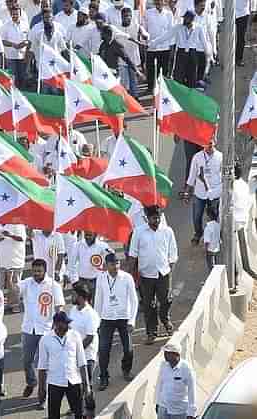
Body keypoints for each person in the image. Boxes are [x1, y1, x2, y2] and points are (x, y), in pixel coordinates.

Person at [17, 259, 65, 404]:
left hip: (46, 330)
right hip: (28, 329)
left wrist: (58, 326)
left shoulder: (53, 286)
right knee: (27, 361)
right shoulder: (26, 283)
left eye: (39, 271)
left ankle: (43, 396)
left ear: (45, 271)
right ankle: (31, 382)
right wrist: (12, 285)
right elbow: (15, 291)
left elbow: (59, 307)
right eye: (34, 271)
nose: (36, 274)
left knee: (44, 366)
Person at [129, 205, 178, 344]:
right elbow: (133, 255)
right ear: (147, 218)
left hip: (163, 273)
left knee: (166, 300)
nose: (156, 220)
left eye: (158, 217)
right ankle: (152, 332)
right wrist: (132, 276)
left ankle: (165, 318)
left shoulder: (167, 231)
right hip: (145, 275)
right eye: (153, 218)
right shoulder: (138, 232)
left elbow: (173, 255)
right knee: (148, 305)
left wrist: (170, 274)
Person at [94, 253, 138, 390]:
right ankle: (104, 376)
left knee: (128, 349)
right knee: (103, 349)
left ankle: (126, 369)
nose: (116, 266)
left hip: (123, 318)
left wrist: (132, 321)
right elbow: (98, 300)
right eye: (112, 264)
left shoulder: (127, 278)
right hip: (107, 318)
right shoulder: (101, 278)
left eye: (117, 263)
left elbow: (134, 300)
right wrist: (97, 321)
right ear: (106, 265)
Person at [37, 311, 90, 419]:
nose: (67, 326)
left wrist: (87, 385)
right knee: (53, 414)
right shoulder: (45, 339)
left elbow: (82, 362)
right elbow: (42, 366)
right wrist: (41, 389)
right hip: (54, 382)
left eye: (67, 323)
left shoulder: (75, 335)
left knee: (79, 414)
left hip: (74, 380)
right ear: (56, 324)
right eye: (64, 323)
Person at [148, 10, 211, 88]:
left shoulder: (198, 28)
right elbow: (166, 36)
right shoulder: (178, 27)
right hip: (181, 54)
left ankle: (190, 96)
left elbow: (204, 42)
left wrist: (208, 55)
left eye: (187, 18)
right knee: (178, 77)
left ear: (192, 19)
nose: (184, 20)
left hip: (192, 54)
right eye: (184, 18)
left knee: (192, 78)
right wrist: (153, 43)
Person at [183, 140, 222, 244]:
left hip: (214, 194)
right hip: (200, 193)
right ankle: (198, 233)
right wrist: (187, 192)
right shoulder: (197, 157)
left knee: (214, 217)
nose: (208, 146)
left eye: (210, 143)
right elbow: (191, 176)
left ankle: (214, 236)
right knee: (196, 216)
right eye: (206, 144)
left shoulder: (220, 157)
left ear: (215, 143)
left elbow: (223, 177)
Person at [68, 283, 100, 386]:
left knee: (86, 386)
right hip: (75, 355)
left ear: (81, 297)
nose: (71, 297)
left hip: (87, 358)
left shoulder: (91, 315)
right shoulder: (73, 310)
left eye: (74, 295)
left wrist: (77, 351)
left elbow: (89, 338)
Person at [0, 223, 25, 313]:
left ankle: (14, 304)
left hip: (14, 260)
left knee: (14, 284)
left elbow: (22, 238)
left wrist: (9, 235)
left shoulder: (18, 224)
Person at [155, 342, 197, 419]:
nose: (165, 355)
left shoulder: (186, 369)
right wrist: (157, 402)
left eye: (168, 353)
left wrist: (191, 412)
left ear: (176, 354)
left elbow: (192, 390)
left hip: (179, 411)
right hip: (163, 408)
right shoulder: (163, 365)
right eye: (165, 352)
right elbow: (159, 384)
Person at [67, 231, 112, 296]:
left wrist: (106, 266)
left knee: (96, 304)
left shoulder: (103, 246)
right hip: (81, 281)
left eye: (90, 235)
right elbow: (71, 263)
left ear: (95, 235)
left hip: (97, 281)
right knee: (82, 305)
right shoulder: (77, 245)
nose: (87, 237)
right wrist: (74, 281)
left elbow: (112, 258)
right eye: (86, 235)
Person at [144, 0, 174, 95]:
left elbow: (171, 30)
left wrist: (171, 46)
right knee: (151, 69)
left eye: (160, 1)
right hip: (151, 46)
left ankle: (163, 89)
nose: (159, 3)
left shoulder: (169, 14)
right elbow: (144, 28)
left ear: (163, 2)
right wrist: (146, 41)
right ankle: (150, 87)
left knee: (164, 69)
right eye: (157, 1)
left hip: (165, 47)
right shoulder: (148, 13)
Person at [0, 6, 30, 87]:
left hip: (22, 56)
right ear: (10, 14)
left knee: (22, 78)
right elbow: (2, 41)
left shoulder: (25, 26)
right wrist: (13, 45)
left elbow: (29, 40)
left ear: (20, 14)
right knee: (12, 78)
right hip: (10, 57)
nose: (15, 16)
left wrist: (24, 43)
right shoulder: (5, 26)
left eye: (17, 14)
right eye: (13, 14)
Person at [203, 205, 220, 273]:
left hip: (210, 250)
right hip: (217, 248)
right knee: (216, 264)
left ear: (208, 216)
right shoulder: (217, 225)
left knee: (211, 266)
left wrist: (206, 250)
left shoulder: (208, 228)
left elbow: (207, 241)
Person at [235, 0, 250, 66]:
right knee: (228, 37)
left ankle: (238, 59)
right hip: (231, 10)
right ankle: (228, 57)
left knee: (241, 38)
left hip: (243, 13)